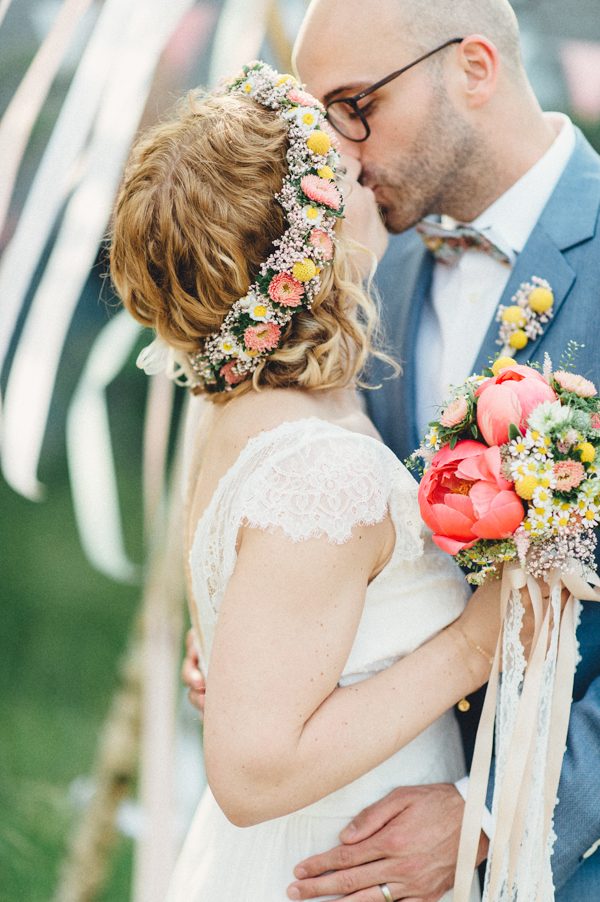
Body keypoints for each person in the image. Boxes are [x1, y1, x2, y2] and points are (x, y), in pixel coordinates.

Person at [184, 1, 600, 899]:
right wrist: (258, 628)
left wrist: (492, 810)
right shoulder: (368, 268)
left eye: (356, 102)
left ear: (475, 67)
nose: (340, 148)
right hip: (338, 826)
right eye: (322, 114)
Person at [110, 63, 513, 901]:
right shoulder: (317, 462)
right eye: (339, 173)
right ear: (307, 247)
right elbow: (252, 774)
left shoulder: (243, 414)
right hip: (340, 861)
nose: (362, 168)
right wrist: (476, 643)